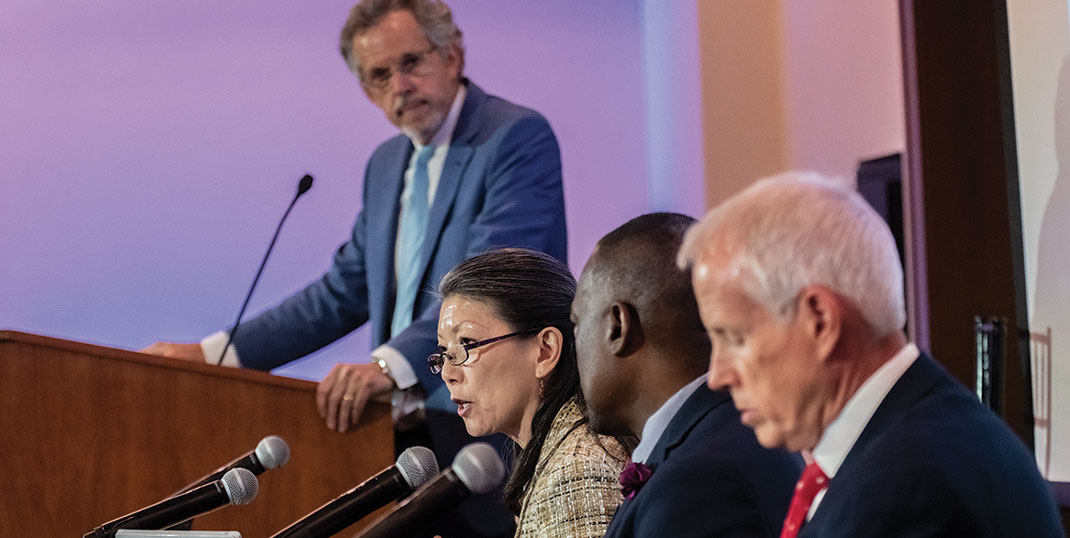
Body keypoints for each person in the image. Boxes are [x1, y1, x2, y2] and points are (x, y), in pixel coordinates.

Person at [143, 1, 566, 536]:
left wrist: (388, 367)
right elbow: (342, 292)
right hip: (400, 436)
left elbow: (490, 288)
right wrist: (212, 355)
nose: (400, 85)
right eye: (380, 75)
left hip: (492, 428)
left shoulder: (515, 138)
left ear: (453, 55)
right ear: (367, 90)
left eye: (411, 62)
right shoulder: (386, 164)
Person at [677, 172, 1063, 538]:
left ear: (820, 321)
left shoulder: (903, 489)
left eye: (734, 338)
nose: (718, 375)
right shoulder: (927, 436)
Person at [571, 212, 802, 538]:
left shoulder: (699, 480)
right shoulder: (724, 436)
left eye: (577, 323)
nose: (574, 345)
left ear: (617, 327)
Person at [433, 248, 634, 538]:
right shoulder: (553, 452)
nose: (448, 373)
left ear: (545, 351)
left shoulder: (576, 471)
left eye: (467, 343)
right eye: (443, 351)